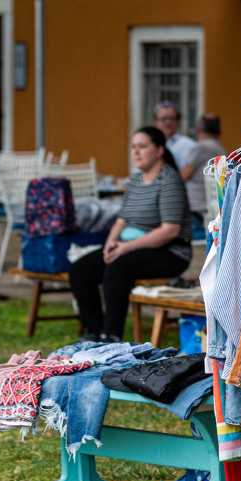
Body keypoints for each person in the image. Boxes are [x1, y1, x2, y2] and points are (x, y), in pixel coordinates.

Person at [69, 127, 192, 342]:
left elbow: (169, 230)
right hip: (130, 247)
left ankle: (111, 336)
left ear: (159, 150)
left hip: (170, 252)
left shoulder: (170, 181)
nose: (136, 152)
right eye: (134, 147)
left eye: (142, 146)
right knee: (80, 270)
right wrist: (111, 243)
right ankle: (94, 333)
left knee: (117, 267)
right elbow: (121, 220)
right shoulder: (135, 181)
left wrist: (125, 247)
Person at [179, 114, 226, 236]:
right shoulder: (220, 148)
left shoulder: (201, 147)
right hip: (213, 205)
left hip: (196, 206)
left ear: (198, 130)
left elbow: (183, 175)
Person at [153, 101, 196, 171]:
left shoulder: (189, 145)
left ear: (178, 121)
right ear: (155, 122)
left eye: (171, 118)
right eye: (163, 119)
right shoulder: (148, 145)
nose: (168, 122)